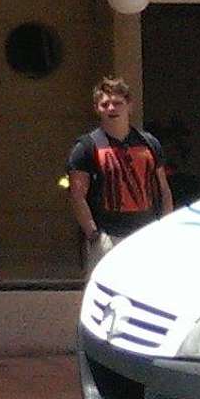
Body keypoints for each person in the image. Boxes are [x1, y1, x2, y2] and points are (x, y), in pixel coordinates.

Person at [68, 75, 170, 269]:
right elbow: (77, 195)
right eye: (105, 104)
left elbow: (163, 189)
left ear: (129, 106)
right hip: (107, 237)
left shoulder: (149, 143)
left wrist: (165, 227)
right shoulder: (86, 147)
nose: (111, 108)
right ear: (97, 109)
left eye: (117, 103)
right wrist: (94, 235)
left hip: (146, 234)